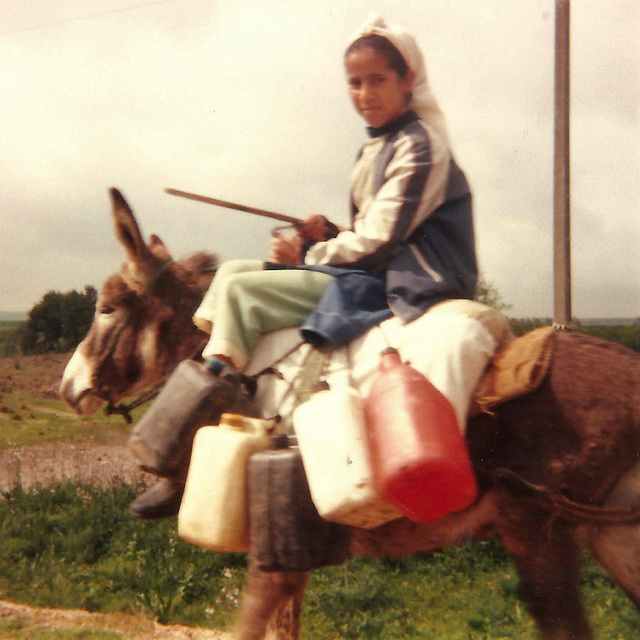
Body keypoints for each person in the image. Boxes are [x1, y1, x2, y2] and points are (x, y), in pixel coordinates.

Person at [129, 15, 478, 518]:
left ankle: (184, 454)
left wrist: (309, 256)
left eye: (377, 80)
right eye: (354, 83)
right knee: (231, 274)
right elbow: (371, 229)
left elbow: (383, 238)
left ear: (407, 80)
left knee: (243, 293)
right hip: (376, 267)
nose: (364, 93)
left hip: (413, 279)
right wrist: (331, 232)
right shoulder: (376, 146)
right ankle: (221, 372)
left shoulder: (421, 146)